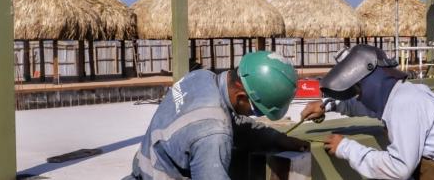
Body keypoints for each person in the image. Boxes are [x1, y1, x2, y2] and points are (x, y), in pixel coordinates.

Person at [300, 45, 434, 179]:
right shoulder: (403, 95)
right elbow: (365, 106)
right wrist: (328, 105)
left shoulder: (404, 104)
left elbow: (399, 168)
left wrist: (346, 148)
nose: (358, 96)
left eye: (358, 90)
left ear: (371, 81)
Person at [130, 51, 305, 179]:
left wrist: (275, 138)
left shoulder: (201, 77)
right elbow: (215, 130)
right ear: (241, 97)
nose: (253, 115)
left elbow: (236, 123)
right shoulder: (214, 135)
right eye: (257, 111)